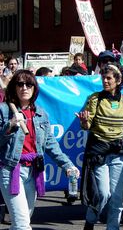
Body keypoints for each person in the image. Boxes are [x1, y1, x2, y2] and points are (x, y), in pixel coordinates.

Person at [0, 70, 80, 229]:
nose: (24, 88)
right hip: (11, 170)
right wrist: (10, 125)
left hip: (34, 171)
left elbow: (51, 145)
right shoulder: (4, 111)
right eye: (20, 84)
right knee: (22, 224)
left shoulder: (40, 114)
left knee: (22, 221)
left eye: (28, 84)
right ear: (14, 88)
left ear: (34, 89)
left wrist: (68, 165)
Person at [77, 63, 123, 230]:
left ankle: (113, 228)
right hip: (99, 154)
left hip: (119, 153)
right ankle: (90, 221)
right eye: (103, 77)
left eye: (109, 77)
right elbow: (87, 125)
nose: (105, 80)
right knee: (103, 194)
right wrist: (84, 122)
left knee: (118, 198)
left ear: (118, 80)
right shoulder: (95, 98)